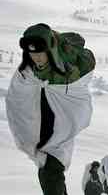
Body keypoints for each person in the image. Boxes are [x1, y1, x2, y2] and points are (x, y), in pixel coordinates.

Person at [6, 23, 95, 195]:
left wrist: (57, 91)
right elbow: (17, 96)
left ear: (50, 49)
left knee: (50, 172)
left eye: (40, 52)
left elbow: (77, 95)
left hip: (62, 127)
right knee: (48, 173)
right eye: (32, 53)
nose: (36, 57)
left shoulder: (68, 70)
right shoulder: (27, 70)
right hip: (43, 127)